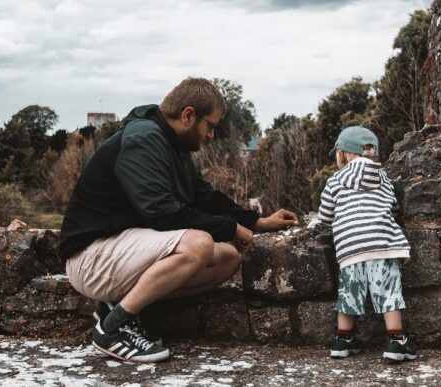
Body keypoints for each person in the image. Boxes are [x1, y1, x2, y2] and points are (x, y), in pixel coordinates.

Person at [57, 77, 299, 363]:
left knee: (227, 258)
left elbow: (201, 196)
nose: (211, 136)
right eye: (210, 126)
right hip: (89, 257)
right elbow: (162, 212)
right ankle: (112, 329)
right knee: (199, 244)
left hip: (118, 252)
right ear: (188, 116)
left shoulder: (172, 145)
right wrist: (230, 227)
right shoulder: (144, 139)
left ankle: (116, 308)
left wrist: (256, 222)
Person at [312, 125, 416, 363]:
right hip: (383, 242)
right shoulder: (383, 178)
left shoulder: (336, 181)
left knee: (349, 293)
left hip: (351, 248)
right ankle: (395, 341)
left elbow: (325, 215)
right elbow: (393, 206)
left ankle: (342, 340)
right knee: (389, 292)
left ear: (342, 154)